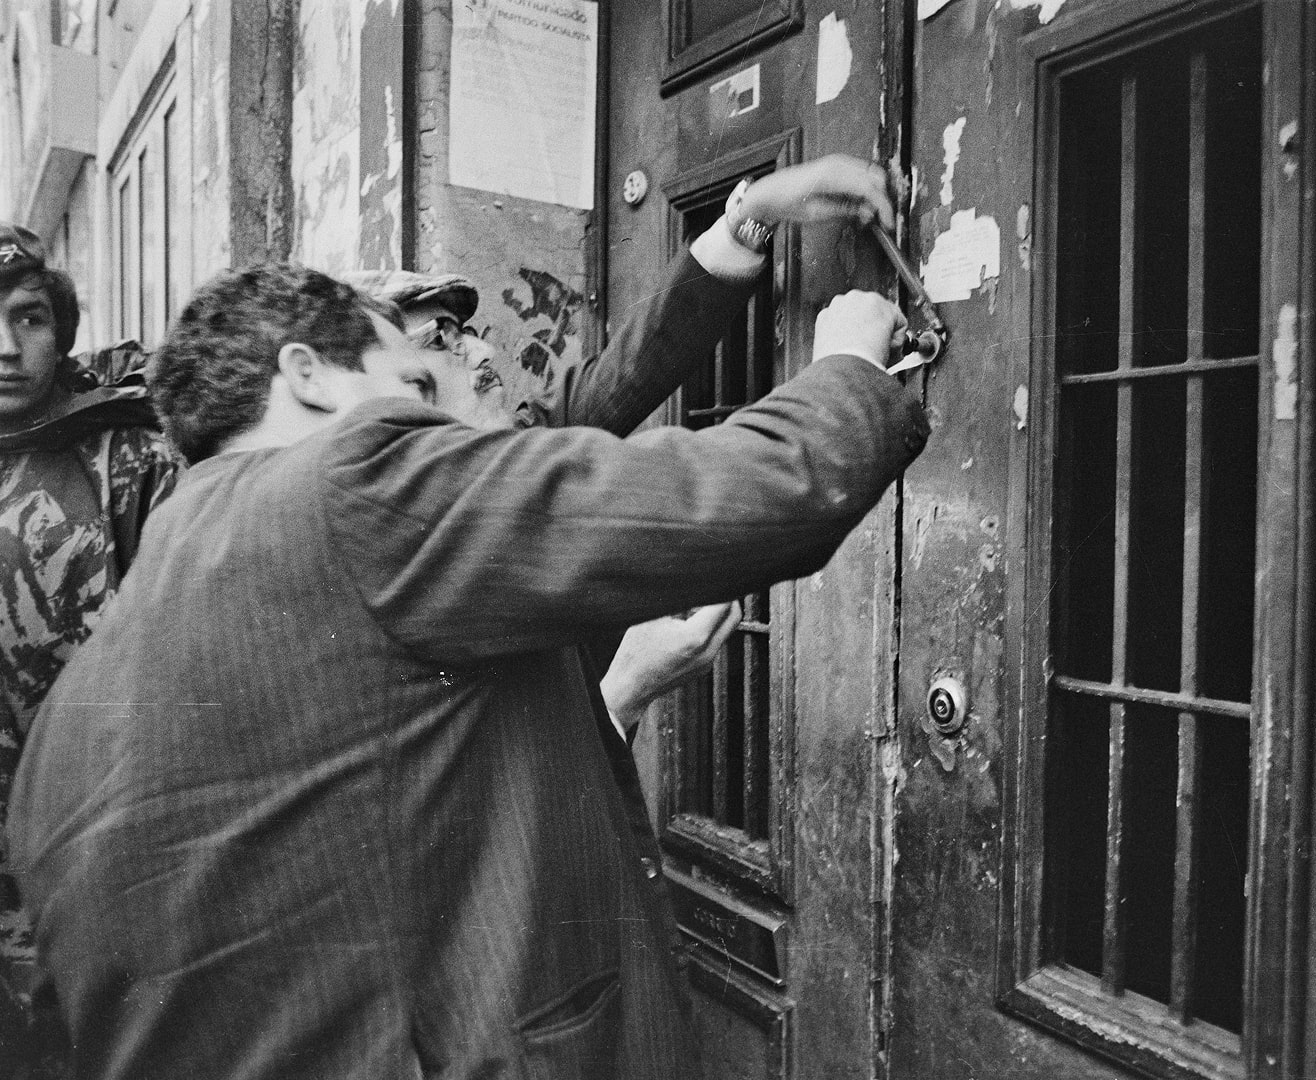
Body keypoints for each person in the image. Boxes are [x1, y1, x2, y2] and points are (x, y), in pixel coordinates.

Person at [9, 156, 927, 1079]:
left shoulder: (67, 725)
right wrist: (848, 362)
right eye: (416, 380)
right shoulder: (348, 489)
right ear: (311, 377)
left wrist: (746, 228)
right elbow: (763, 492)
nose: (452, 403)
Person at [345, 269, 743, 740]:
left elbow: (629, 370)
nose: (483, 351)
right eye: (440, 340)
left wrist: (747, 222)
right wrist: (625, 692)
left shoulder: (502, 457)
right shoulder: (381, 570)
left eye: (466, 333)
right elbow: (491, 797)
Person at [0, 224, 181, 1073]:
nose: (6, 346)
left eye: (28, 317)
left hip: (92, 854)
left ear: (61, 329)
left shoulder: (130, 458)